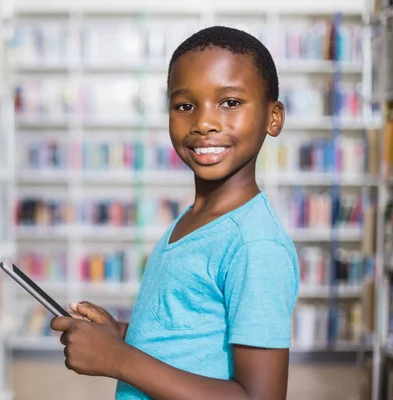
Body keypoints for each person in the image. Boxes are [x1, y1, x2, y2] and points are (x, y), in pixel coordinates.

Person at [50, 25, 300, 400]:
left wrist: (118, 359)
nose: (203, 123)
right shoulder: (193, 219)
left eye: (230, 102)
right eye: (185, 105)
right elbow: (193, 338)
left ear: (273, 117)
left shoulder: (255, 245)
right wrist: (120, 334)